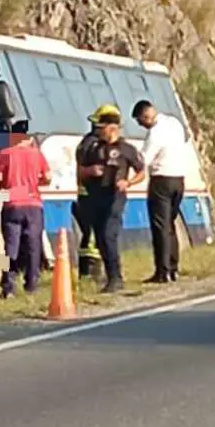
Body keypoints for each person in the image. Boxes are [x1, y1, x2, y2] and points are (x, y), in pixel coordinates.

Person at [76, 106, 145, 293]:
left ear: (112, 128)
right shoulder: (93, 148)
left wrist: (128, 182)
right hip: (95, 197)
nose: (99, 132)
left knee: (109, 235)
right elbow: (80, 171)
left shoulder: (127, 149)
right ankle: (110, 275)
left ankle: (116, 277)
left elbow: (141, 172)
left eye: (102, 128)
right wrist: (90, 171)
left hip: (115, 197)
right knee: (100, 238)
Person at [0, 120, 52, 299]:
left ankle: (8, 286)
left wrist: (5, 184)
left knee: (10, 247)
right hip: (34, 205)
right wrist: (35, 183)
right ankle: (31, 284)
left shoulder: (4, 154)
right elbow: (48, 178)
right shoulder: (36, 154)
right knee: (33, 246)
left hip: (12, 205)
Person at [132, 99, 187, 283]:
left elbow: (143, 160)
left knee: (160, 226)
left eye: (140, 121)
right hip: (179, 179)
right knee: (170, 224)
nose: (141, 126)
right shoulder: (175, 123)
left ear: (146, 116)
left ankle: (163, 271)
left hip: (162, 180)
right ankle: (173, 266)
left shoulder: (155, 133)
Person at [71, 108, 104, 258]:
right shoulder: (94, 145)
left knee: (89, 234)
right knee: (93, 234)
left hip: (86, 193)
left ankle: (89, 262)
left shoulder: (85, 142)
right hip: (93, 194)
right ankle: (92, 264)